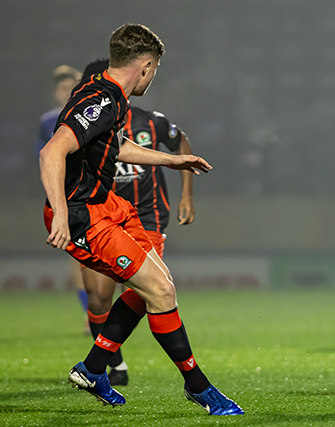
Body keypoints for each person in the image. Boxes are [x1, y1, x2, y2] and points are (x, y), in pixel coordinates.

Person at [39, 24, 243, 416]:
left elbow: (115, 145)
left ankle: (94, 367)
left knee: (158, 284)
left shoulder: (109, 94)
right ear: (147, 66)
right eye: (156, 71)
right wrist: (61, 215)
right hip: (86, 215)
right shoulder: (101, 98)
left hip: (109, 204)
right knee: (161, 293)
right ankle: (199, 387)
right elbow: (52, 152)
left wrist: (173, 159)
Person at [77, 59, 198, 387]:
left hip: (147, 215)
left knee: (150, 288)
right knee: (100, 296)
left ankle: (100, 365)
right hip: (103, 213)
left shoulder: (150, 121)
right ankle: (104, 362)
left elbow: (180, 140)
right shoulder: (88, 126)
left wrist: (187, 194)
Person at [37, 64, 90, 334]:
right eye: (61, 87)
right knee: (78, 255)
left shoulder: (92, 115)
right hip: (68, 194)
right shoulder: (48, 121)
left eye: (70, 85)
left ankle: (102, 310)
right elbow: (44, 157)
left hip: (94, 190)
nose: (65, 91)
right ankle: (88, 314)